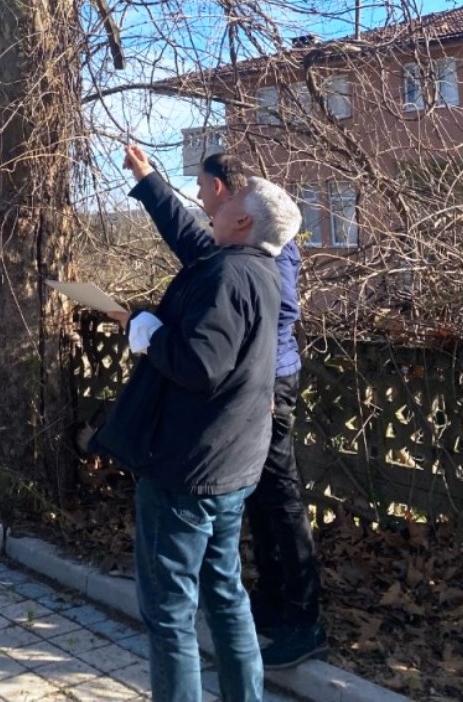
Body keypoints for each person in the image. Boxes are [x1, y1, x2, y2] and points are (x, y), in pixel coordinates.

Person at [91, 144, 301, 702]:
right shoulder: (258, 270)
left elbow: (201, 365)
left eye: (223, 199)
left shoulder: (228, 275)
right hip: (231, 463)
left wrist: (145, 330)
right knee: (226, 594)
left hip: (188, 468)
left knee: (169, 614)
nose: (212, 206)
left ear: (243, 219)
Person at [196, 153, 325, 668]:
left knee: (281, 494)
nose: (201, 199)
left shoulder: (271, 227)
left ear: (227, 190)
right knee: (260, 493)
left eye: (204, 188)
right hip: (258, 378)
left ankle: (306, 619)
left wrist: (266, 378)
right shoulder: (235, 229)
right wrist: (146, 182)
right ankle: (273, 605)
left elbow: (282, 309)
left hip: (271, 380)